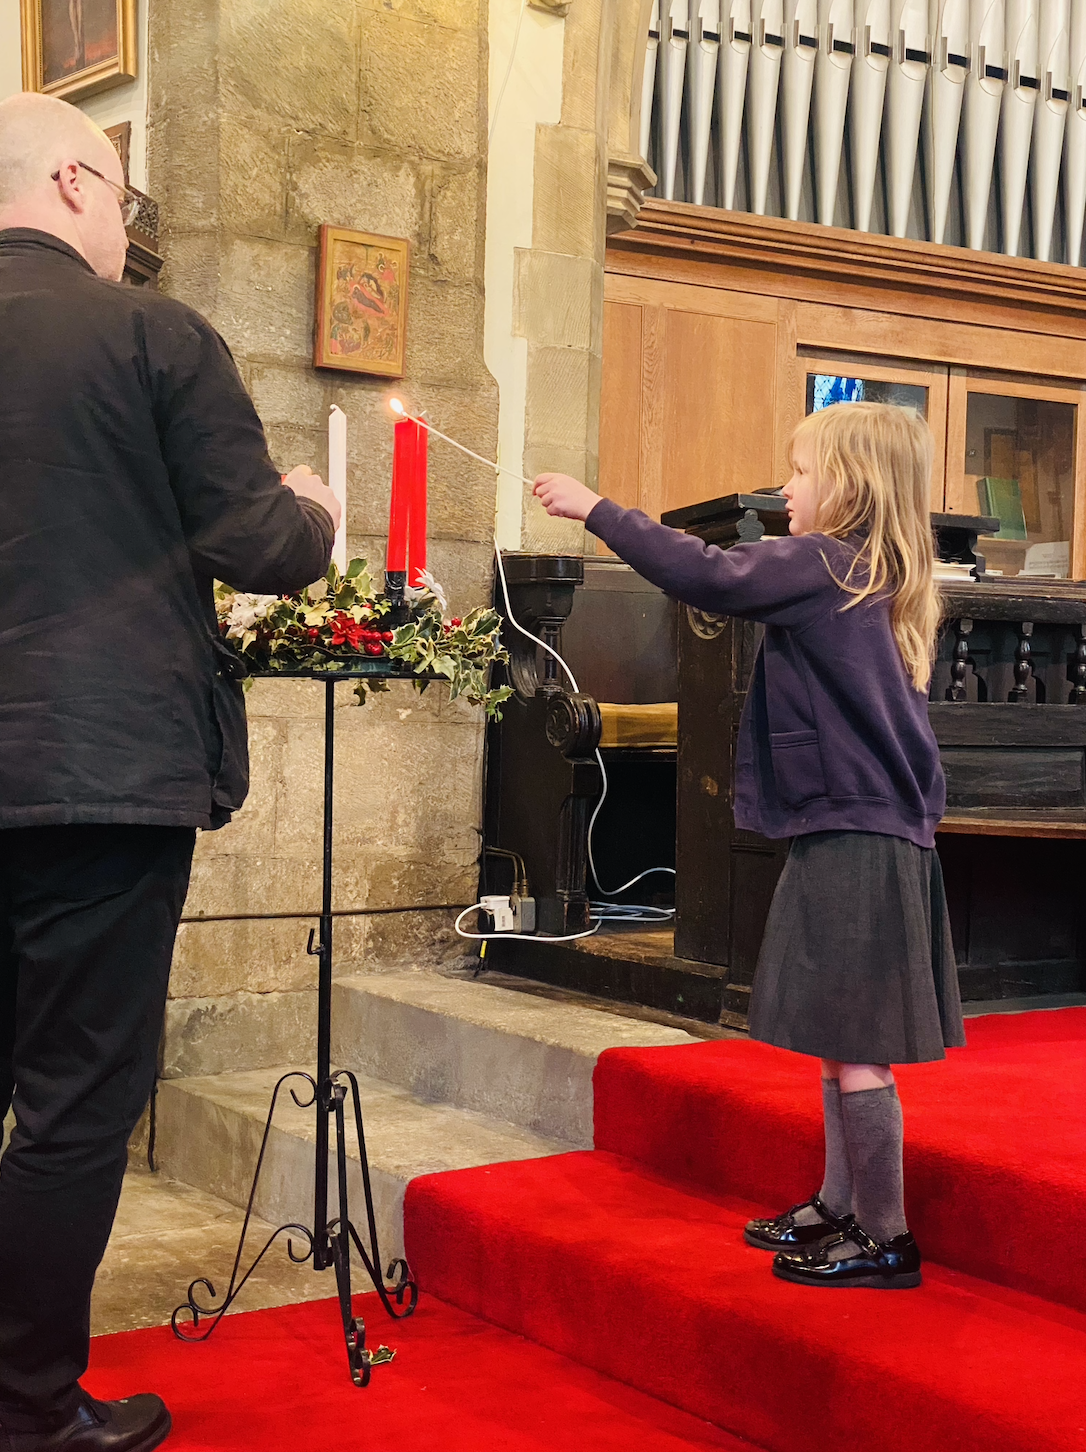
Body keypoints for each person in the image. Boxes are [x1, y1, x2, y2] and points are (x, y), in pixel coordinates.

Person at [0, 92, 341, 1451]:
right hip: (95, 776)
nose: (126, 222)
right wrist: (316, 509)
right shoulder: (151, 334)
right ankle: (25, 1410)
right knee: (75, 1104)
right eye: (126, 199)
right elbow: (259, 547)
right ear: (82, 181)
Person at [534, 401, 965, 1291]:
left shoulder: (821, 563)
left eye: (800, 474)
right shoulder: (865, 572)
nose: (787, 490)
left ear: (847, 485)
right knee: (834, 1032)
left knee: (856, 1042)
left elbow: (714, 575)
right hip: (860, 823)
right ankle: (839, 1204)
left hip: (859, 829)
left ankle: (884, 1235)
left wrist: (598, 509)